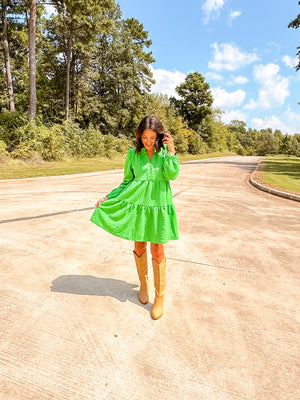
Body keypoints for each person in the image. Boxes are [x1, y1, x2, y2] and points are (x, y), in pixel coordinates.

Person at [91, 115, 180, 319]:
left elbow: (172, 175)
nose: (148, 142)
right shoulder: (133, 154)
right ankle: (143, 284)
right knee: (139, 246)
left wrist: (171, 151)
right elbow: (126, 182)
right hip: (139, 208)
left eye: (152, 137)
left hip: (158, 207)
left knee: (158, 252)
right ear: (139, 137)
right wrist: (108, 196)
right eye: (144, 137)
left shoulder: (164, 153)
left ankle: (160, 297)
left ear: (159, 136)